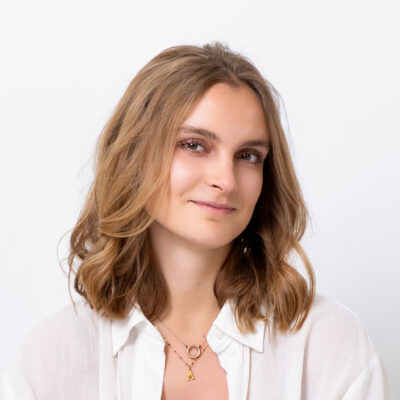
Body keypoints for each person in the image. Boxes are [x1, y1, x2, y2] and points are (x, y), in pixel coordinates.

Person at [1, 42, 391, 399]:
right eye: (194, 145)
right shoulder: (50, 361)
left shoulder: (327, 348)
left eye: (248, 155)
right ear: (135, 156)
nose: (226, 180)